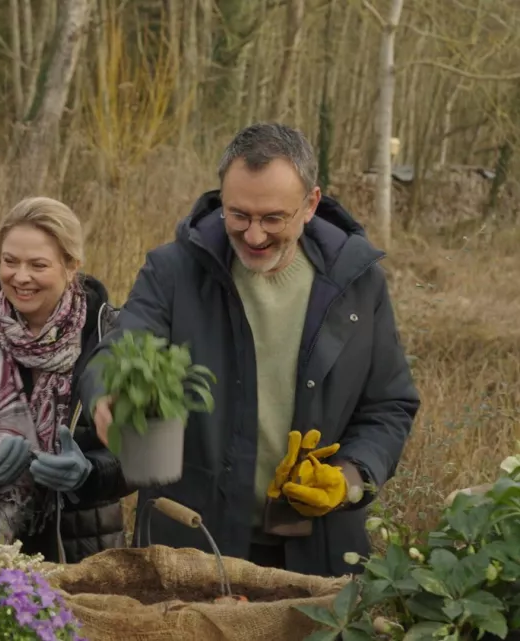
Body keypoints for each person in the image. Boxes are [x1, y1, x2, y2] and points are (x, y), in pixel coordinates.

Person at [80, 122, 420, 578]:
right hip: (194, 545)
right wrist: (107, 392)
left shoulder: (356, 284)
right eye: (238, 215)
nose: (254, 236)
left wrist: (350, 477)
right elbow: (120, 347)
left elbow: (389, 404)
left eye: (273, 219)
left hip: (319, 554)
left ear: (310, 204)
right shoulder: (175, 271)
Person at [0, 197, 134, 563]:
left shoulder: (113, 337)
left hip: (82, 553)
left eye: (38, 265)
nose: (20, 277)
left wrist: (89, 474)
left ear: (71, 266)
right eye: (10, 261)